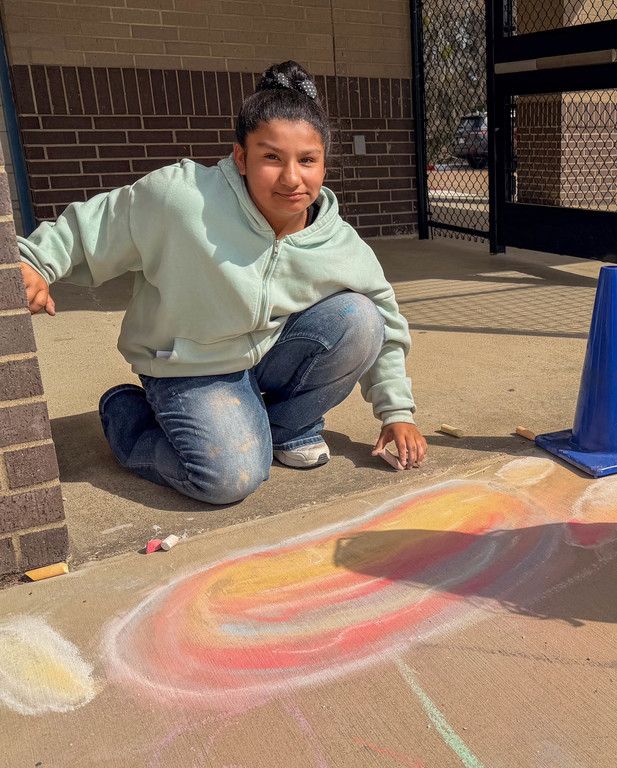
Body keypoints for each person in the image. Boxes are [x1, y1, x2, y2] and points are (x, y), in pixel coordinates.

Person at [18, 61, 427, 505]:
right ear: (241, 157)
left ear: (324, 165)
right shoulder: (183, 198)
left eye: (307, 160)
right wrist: (36, 262)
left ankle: (285, 429)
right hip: (190, 366)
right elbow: (96, 226)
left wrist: (396, 411)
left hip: (264, 352)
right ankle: (127, 414)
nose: (292, 178)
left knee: (360, 318)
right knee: (227, 480)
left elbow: (385, 323)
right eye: (271, 157)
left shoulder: (337, 240)